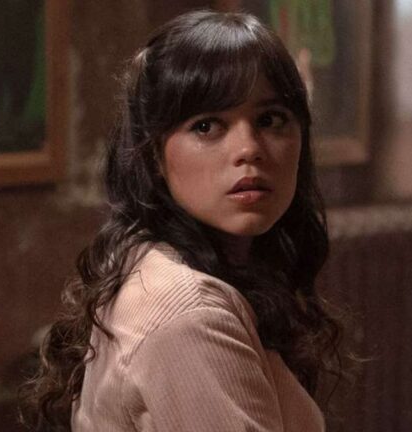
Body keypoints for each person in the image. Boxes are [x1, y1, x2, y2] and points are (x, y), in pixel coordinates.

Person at [21, 9, 343, 431]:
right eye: (207, 126)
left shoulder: (167, 262)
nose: (249, 148)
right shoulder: (190, 315)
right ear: (155, 154)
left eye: (270, 120)